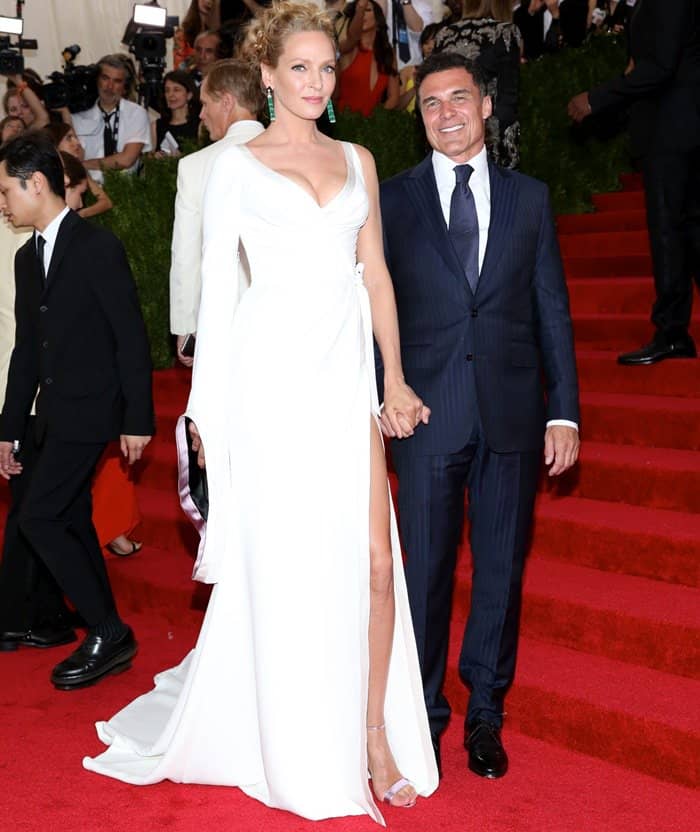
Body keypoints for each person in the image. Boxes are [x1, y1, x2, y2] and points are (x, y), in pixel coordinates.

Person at [83, 1, 439, 822]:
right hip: (271, 385)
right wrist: (207, 413)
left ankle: (374, 733)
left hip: (346, 378)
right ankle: (293, 733)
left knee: (377, 565)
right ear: (269, 77)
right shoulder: (233, 170)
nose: (315, 82)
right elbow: (219, 300)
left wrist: (394, 377)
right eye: (300, 69)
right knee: (289, 565)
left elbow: (376, 275)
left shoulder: (359, 160)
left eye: (325, 69)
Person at [380, 51, 580, 778]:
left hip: (513, 414)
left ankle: (486, 716)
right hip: (426, 416)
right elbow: (377, 305)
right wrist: (386, 389)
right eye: (431, 104)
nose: (446, 114)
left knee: (500, 572)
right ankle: (424, 713)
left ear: (487, 107)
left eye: (459, 98)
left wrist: (567, 412)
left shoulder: (529, 197)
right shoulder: (393, 199)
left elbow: (551, 307)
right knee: (425, 574)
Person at [0, 132, 154, 688]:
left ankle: (105, 628)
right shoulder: (25, 256)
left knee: (39, 517)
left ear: (35, 184)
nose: (2, 203)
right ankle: (109, 633)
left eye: (5, 191)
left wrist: (138, 418)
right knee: (66, 517)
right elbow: (25, 349)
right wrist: (8, 428)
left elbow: (130, 339)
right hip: (49, 414)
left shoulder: (96, 247)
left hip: (92, 410)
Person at [568, 0, 700, 365]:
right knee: (685, 231)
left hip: (675, 131)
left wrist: (597, 98)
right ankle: (673, 332)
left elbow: (659, 67)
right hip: (674, 129)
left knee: (671, 233)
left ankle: (672, 334)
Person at [170, 59, 265, 367]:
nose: (201, 114)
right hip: (288, 315)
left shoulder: (195, 166)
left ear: (227, 101)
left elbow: (186, 253)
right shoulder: (294, 153)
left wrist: (185, 327)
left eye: (205, 103)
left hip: (220, 320)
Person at [434, 0, 521, 168]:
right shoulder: (505, 32)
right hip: (489, 136)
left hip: (449, 130)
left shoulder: (443, 34)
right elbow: (508, 97)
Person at [71, 55, 152, 183]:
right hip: (88, 188)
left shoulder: (137, 114)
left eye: (117, 81)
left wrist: (84, 165)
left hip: (125, 191)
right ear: (96, 80)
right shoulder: (78, 115)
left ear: (124, 86)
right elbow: (73, 156)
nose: (109, 86)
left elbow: (127, 160)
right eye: (105, 78)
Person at [335, 0, 400, 116]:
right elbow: (330, 99)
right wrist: (332, 121)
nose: (362, 14)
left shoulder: (387, 53)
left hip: (373, 129)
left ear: (378, 19)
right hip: (340, 125)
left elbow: (394, 97)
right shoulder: (347, 48)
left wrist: (376, 123)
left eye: (367, 10)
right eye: (358, 12)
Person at [151, 70, 200, 156]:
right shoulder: (156, 126)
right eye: (167, 90)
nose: (171, 95)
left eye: (176, 90)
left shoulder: (200, 125)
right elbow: (148, 160)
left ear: (189, 95)